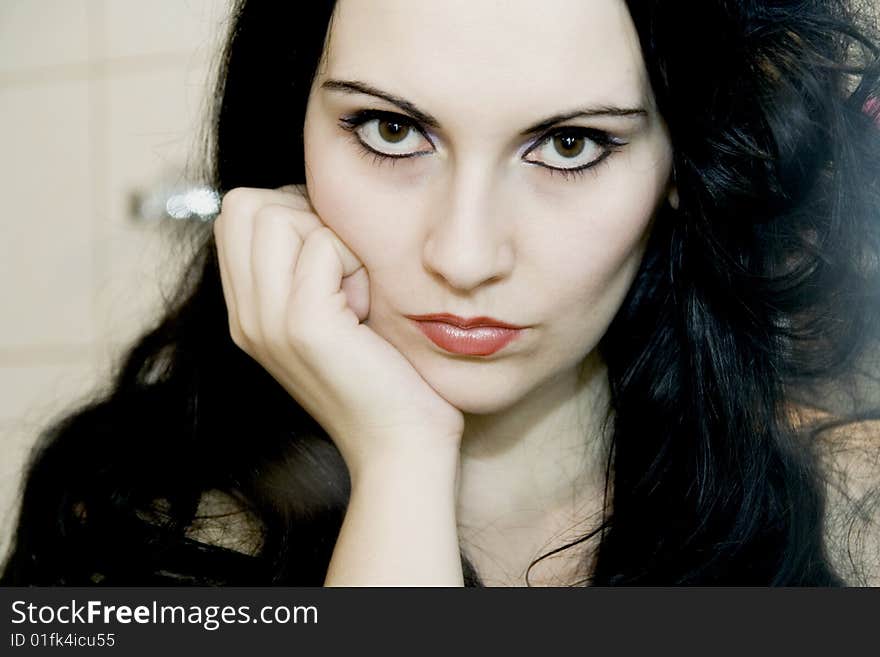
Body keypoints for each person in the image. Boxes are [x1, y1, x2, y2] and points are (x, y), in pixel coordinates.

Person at [3, 0, 880, 587]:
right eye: (391, 130)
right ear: (292, 136)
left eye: (570, 144)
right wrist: (400, 457)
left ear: (686, 162)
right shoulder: (128, 524)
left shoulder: (855, 513)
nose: (464, 255)